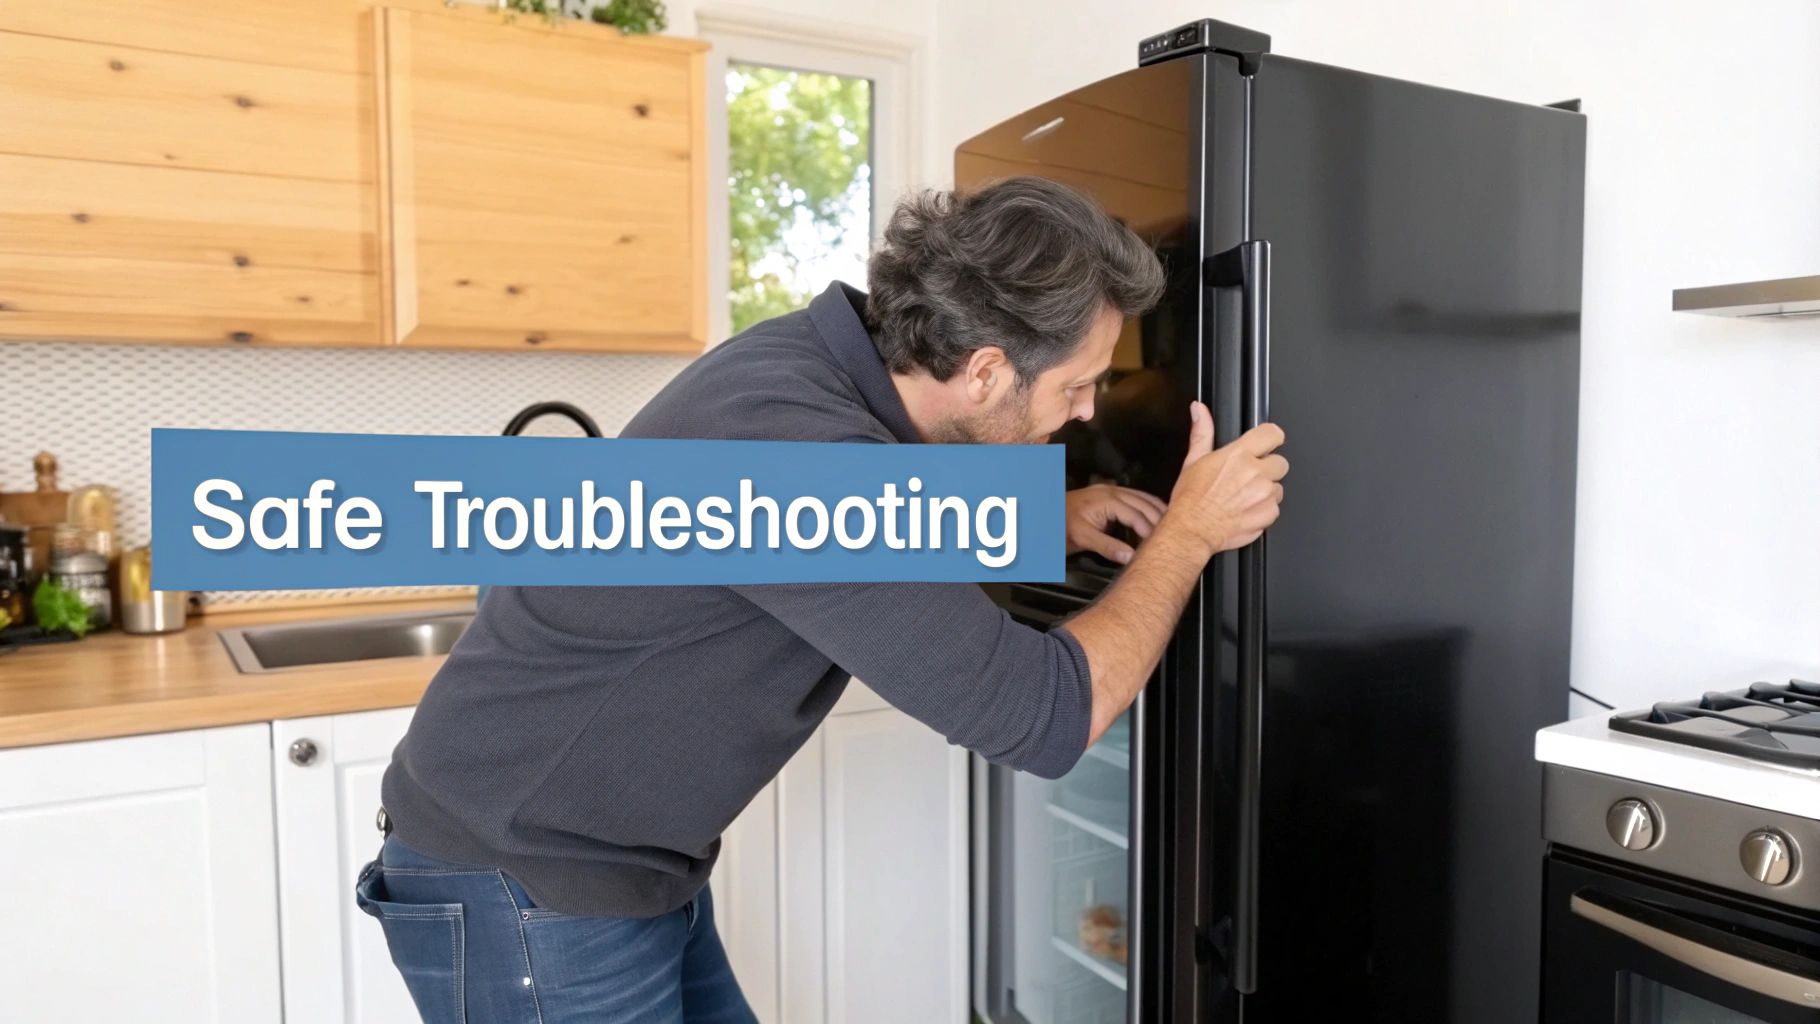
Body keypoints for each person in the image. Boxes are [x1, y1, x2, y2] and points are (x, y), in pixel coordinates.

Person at [355, 176, 1288, 1023]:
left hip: (612, 868)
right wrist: (1188, 536)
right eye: (1079, 385)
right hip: (527, 881)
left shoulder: (816, 365)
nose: (1089, 411)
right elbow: (1046, 714)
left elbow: (861, 512)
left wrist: (1043, 513)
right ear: (987, 372)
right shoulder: (804, 454)